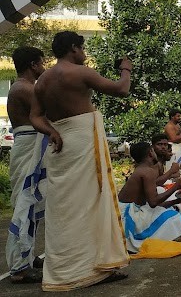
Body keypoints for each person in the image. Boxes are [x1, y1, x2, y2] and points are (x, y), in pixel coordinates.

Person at [30, 31, 131, 290]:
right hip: (83, 142)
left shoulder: (42, 80)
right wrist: (126, 69)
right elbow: (122, 90)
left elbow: (36, 117)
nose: (84, 53)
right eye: (83, 48)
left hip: (61, 145)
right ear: (73, 48)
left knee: (64, 209)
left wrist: (52, 131)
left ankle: (65, 271)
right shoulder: (80, 72)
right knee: (91, 203)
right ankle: (92, 268)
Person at [5, 47, 61, 284]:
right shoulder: (23, 88)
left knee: (33, 204)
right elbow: (53, 109)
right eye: (42, 62)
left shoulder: (24, 87)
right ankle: (19, 266)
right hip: (28, 146)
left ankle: (26, 257)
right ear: (33, 65)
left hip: (33, 147)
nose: (44, 66)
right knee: (24, 205)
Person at [117, 142, 181, 253]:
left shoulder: (144, 169)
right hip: (126, 218)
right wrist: (176, 186)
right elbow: (153, 202)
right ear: (151, 152)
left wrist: (177, 200)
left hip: (128, 213)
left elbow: (153, 203)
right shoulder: (147, 171)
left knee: (174, 215)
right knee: (173, 218)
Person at [151, 134, 181, 220]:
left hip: (158, 189)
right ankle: (177, 214)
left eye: (165, 145)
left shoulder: (161, 161)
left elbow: (160, 178)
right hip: (152, 194)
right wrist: (171, 172)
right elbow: (155, 182)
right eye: (159, 144)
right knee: (176, 188)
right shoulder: (154, 162)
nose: (163, 147)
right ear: (153, 147)